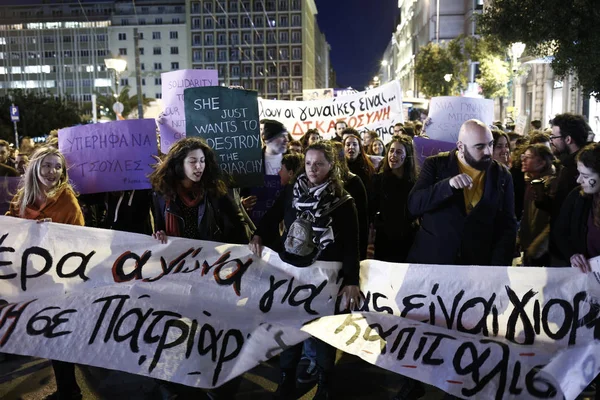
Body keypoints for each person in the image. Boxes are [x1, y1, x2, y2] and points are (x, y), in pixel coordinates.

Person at [249, 141, 360, 400]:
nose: (312, 169)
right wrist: (258, 235)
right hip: (291, 271)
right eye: (309, 163)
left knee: (322, 333)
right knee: (290, 328)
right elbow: (273, 214)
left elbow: (351, 244)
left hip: (325, 277)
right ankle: (286, 380)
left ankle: (324, 383)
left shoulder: (344, 202)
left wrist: (352, 280)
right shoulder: (292, 191)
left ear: (331, 166)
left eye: (319, 163)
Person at [6, 146, 84, 400]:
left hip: (58, 281)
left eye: (58, 167)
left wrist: (55, 234)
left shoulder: (67, 201)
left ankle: (69, 390)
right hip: (27, 279)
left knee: (57, 333)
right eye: (47, 165)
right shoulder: (22, 199)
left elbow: (81, 243)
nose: (52, 171)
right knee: (42, 334)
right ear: (35, 168)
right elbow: (9, 229)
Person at [407, 119, 517, 266]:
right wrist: (447, 186)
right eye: (479, 147)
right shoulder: (436, 165)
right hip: (433, 263)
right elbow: (414, 205)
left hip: (477, 268)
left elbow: (507, 225)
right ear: (461, 146)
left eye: (491, 144)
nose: (488, 152)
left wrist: (497, 268)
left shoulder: (502, 175)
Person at [150, 137, 249, 245]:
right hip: (178, 256)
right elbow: (159, 227)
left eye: (202, 161)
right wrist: (160, 235)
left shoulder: (213, 189)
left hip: (210, 257)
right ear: (180, 164)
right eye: (193, 161)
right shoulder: (162, 192)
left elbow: (237, 226)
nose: (199, 166)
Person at [541, 113, 592, 265]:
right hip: (566, 250)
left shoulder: (579, 169)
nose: (551, 142)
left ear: (568, 139)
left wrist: (571, 252)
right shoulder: (566, 165)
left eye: (554, 137)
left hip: (575, 257)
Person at [554, 142, 600, 271]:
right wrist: (572, 254)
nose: (578, 180)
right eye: (579, 174)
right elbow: (560, 231)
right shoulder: (577, 196)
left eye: (585, 176)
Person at [372, 136, 418, 262]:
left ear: (407, 156)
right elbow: (370, 210)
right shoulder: (378, 180)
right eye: (391, 151)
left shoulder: (415, 183)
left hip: (408, 240)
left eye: (398, 152)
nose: (393, 155)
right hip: (384, 240)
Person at [519, 144, 556, 266]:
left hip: (543, 251)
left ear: (542, 163)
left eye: (528, 157)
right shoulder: (530, 182)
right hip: (530, 245)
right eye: (523, 156)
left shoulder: (550, 184)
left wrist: (537, 246)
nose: (523, 159)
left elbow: (553, 220)